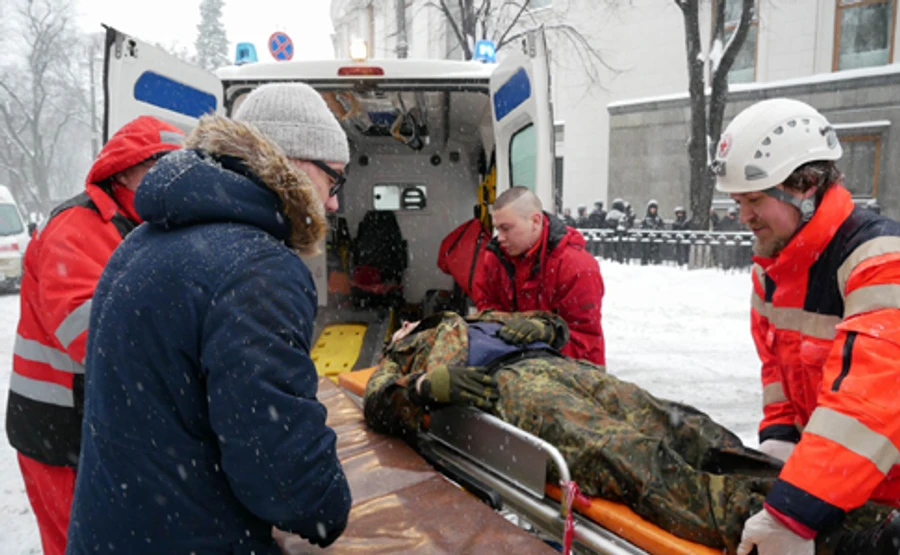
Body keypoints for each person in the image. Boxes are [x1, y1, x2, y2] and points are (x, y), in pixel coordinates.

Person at [66, 84, 352, 554]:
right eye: (333, 180)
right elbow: (275, 461)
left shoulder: (143, 241)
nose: (335, 202)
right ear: (296, 163)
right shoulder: (258, 267)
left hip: (117, 531)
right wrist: (329, 506)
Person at [363, 310, 900, 554]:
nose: (409, 324)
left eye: (413, 322)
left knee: (691, 431)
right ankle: (835, 540)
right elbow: (377, 404)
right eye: (404, 326)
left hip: (566, 370)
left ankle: (824, 503)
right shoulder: (406, 355)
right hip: (514, 392)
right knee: (631, 459)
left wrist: (544, 325)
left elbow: (556, 323)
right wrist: (421, 389)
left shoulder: (479, 317)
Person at [713, 97, 900, 555]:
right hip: (832, 489)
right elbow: (776, 367)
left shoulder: (880, 262)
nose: (744, 217)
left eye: (755, 199)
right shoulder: (771, 270)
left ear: (807, 185)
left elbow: (872, 400)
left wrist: (795, 511)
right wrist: (779, 437)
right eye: (738, 202)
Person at [4, 116, 183, 555]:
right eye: (157, 166)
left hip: (93, 425)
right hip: (58, 430)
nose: (171, 180)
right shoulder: (76, 228)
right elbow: (92, 334)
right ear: (123, 171)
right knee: (78, 544)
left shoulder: (140, 225)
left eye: (178, 168)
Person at [472, 186, 604, 364]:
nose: (500, 237)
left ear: (535, 221)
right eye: (497, 229)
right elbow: (487, 311)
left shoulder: (577, 268)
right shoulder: (494, 259)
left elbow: (583, 338)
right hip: (513, 366)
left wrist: (542, 338)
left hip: (574, 371)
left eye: (506, 228)